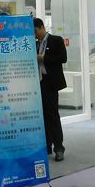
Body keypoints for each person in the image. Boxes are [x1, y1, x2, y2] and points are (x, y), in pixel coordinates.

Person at [33, 18, 67, 162]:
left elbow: (62, 58)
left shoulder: (55, 40)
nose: (35, 35)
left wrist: (43, 58)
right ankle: (46, 145)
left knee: (52, 115)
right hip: (37, 83)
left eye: (36, 32)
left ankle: (58, 148)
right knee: (41, 116)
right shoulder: (34, 44)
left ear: (42, 27)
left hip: (50, 83)